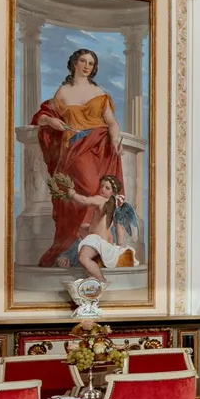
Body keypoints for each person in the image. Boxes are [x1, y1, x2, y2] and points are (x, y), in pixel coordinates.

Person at [33, 49, 127, 267]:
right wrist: (51, 121)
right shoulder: (63, 92)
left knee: (101, 193)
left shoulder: (98, 92)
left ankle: (92, 249)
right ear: (74, 63)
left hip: (101, 146)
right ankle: (74, 247)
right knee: (90, 187)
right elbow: (42, 117)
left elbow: (111, 122)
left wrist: (115, 140)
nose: (86, 66)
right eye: (83, 61)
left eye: (91, 63)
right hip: (76, 147)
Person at [62, 174, 136, 282]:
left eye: (107, 188)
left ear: (113, 192)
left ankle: (101, 280)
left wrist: (72, 194)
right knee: (83, 228)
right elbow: (119, 228)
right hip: (106, 243)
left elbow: (84, 201)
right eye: (102, 186)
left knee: (83, 258)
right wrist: (120, 245)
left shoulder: (101, 200)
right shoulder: (115, 206)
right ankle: (92, 277)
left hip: (97, 241)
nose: (103, 189)